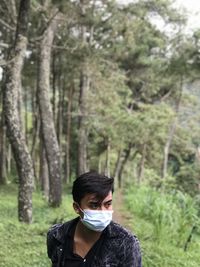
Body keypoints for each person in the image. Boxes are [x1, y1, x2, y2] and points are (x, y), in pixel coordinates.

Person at [47, 171, 142, 267]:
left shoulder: (126, 243)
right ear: (77, 207)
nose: (103, 211)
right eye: (94, 205)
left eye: (108, 204)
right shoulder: (57, 236)